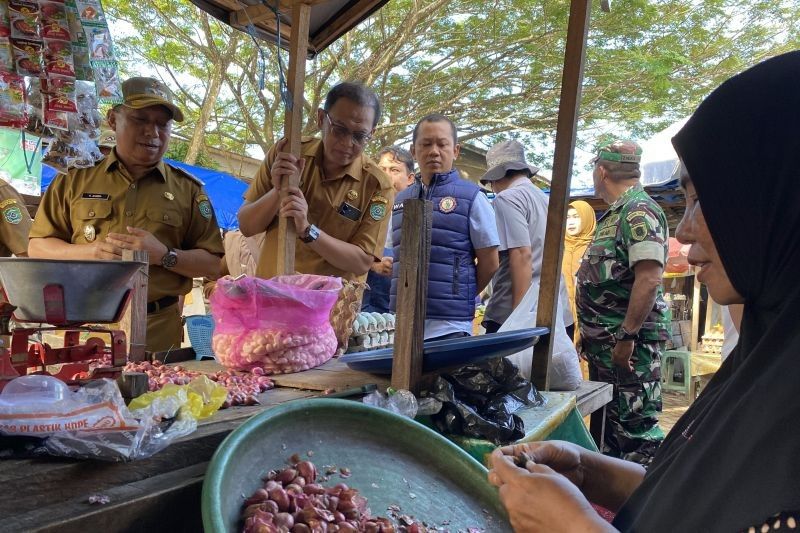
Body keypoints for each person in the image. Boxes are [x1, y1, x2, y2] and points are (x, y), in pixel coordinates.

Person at [488, 51, 800, 532]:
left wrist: (574, 526)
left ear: (779, 198)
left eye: (702, 200)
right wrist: (593, 472)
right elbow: (707, 497)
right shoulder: (767, 357)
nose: (687, 230)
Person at [28, 77, 224, 353]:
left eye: (162, 124)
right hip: (84, 328)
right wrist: (91, 252)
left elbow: (214, 264)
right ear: (112, 119)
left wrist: (165, 256)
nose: (152, 132)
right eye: (140, 119)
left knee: (156, 396)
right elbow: (37, 246)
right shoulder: (75, 178)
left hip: (157, 331)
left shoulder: (188, 190)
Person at [238, 82, 395, 282]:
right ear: (321, 119)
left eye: (359, 136)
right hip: (271, 294)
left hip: (331, 308)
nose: (347, 143)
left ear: (371, 134)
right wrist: (279, 192)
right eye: (339, 129)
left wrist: (307, 230)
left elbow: (362, 262)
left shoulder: (377, 185)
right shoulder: (287, 154)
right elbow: (246, 226)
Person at [577, 139, 670, 466]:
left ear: (601, 171)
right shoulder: (616, 215)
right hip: (609, 351)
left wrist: (627, 338)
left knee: (636, 437)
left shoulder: (637, 212)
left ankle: (648, 514)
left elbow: (649, 278)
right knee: (610, 439)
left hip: (630, 353)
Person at [389, 114, 499, 341]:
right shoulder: (401, 200)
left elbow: (490, 262)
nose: (434, 151)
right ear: (413, 150)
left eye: (442, 144)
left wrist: (459, 295)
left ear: (455, 150)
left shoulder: (472, 198)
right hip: (403, 324)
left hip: (450, 327)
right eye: (426, 144)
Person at [479, 139, 573, 336]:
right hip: (557, 312)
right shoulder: (546, 199)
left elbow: (521, 255)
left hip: (518, 314)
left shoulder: (507, 198)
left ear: (496, 177)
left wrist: (518, 320)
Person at [362, 146, 415, 312]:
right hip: (365, 302)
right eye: (381, 169)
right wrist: (373, 264)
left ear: (410, 178)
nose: (385, 175)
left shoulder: (419, 212)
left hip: (404, 304)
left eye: (394, 170)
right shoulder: (363, 207)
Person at [562, 200, 596, 343]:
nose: (571, 221)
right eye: (568, 217)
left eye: (576, 217)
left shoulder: (596, 248)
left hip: (589, 319)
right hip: (563, 320)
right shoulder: (559, 247)